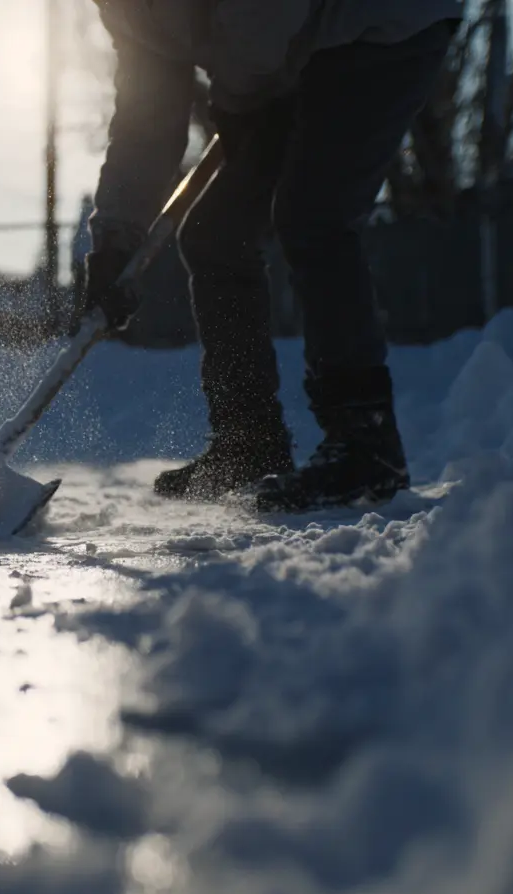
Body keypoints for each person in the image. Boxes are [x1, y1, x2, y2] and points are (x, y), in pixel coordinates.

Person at [81, 0, 462, 512]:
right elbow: (147, 116)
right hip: (283, 63)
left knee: (314, 215)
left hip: (380, 28)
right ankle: (249, 440)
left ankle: (366, 444)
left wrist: (240, 102)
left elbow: (263, 14)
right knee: (216, 234)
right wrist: (115, 238)